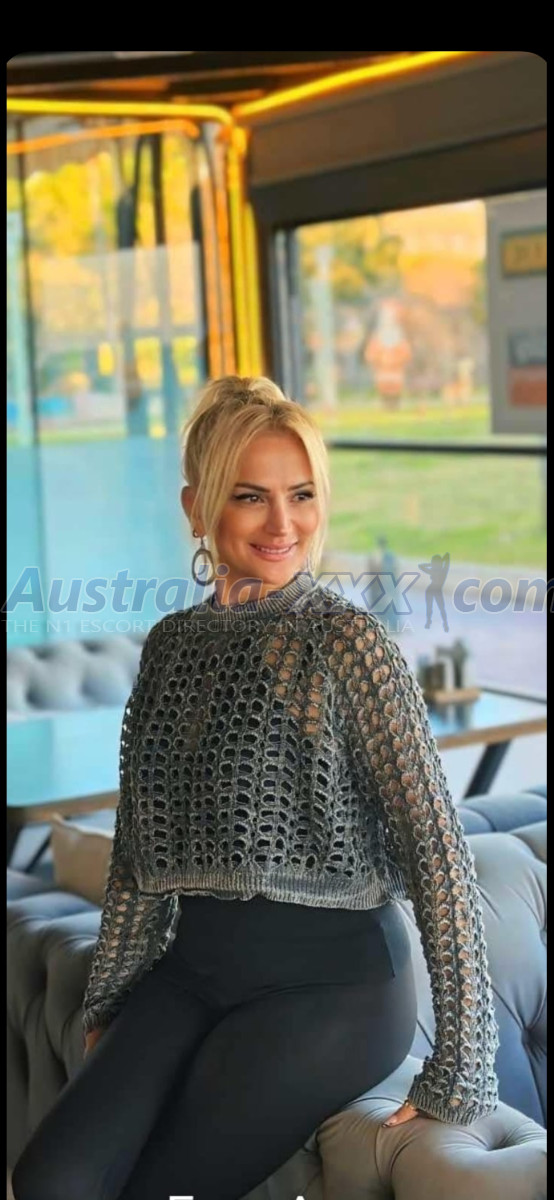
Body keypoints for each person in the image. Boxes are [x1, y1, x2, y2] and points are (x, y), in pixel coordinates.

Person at [12, 376, 500, 1200]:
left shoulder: (349, 645)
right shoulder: (171, 647)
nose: (283, 524)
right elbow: (139, 855)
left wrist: (462, 1060)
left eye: (301, 494)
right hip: (192, 973)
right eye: (251, 496)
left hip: (336, 986)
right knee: (49, 1180)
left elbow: (437, 851)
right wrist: (111, 1002)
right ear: (197, 507)